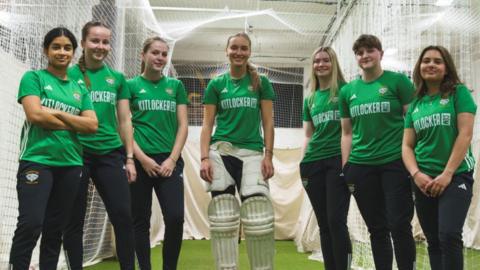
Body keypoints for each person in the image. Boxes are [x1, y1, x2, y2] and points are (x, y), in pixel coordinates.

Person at [40, 21, 136, 270]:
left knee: (123, 216)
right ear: (82, 43)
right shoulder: (66, 75)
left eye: (105, 41)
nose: (100, 46)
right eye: (95, 40)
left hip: (110, 154)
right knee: (74, 221)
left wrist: (129, 157)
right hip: (75, 154)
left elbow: (125, 120)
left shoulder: (117, 79)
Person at [9, 27, 98, 270]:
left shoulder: (80, 89)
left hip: (70, 164)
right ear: (46, 50)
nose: (62, 52)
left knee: (54, 230)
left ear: (73, 51)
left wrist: (57, 112)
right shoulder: (34, 78)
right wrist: (73, 120)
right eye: (56, 47)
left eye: (67, 47)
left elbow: (92, 125)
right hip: (37, 160)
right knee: (31, 224)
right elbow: (36, 115)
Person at [339, 34, 416, 270]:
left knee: (399, 225)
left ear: (380, 54)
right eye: (360, 53)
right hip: (361, 167)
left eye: (370, 50)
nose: (365, 56)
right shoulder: (347, 91)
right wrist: (346, 168)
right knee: (377, 228)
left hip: (395, 163)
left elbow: (413, 121)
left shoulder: (399, 82)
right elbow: (346, 133)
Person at [199, 32, 275, 270]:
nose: (238, 52)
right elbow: (207, 124)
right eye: (234, 48)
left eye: (243, 48)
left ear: (249, 52)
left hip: (253, 154)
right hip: (220, 153)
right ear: (227, 51)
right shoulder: (216, 84)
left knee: (258, 217)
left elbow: (268, 122)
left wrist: (269, 155)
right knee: (222, 217)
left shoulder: (260, 82)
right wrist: (203, 158)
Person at [402, 45, 476, 270]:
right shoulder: (415, 104)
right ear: (419, 67)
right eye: (426, 61)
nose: (431, 64)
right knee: (433, 240)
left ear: (446, 68)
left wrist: (447, 174)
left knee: (449, 235)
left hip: (456, 176)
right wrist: (416, 175)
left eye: (437, 61)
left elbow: (465, 134)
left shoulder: (458, 93)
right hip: (424, 180)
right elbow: (406, 146)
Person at [128, 36, 188, 270]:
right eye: (155, 52)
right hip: (141, 160)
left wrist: (172, 159)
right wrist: (141, 159)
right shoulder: (130, 86)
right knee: (139, 220)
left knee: (175, 218)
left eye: (164, 54)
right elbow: (124, 126)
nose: (160, 57)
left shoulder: (176, 86)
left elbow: (182, 125)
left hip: (169, 161)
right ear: (143, 55)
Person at [300, 47, 352, 270]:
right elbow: (308, 134)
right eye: (316, 61)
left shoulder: (347, 92)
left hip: (337, 161)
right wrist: (302, 163)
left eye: (325, 60)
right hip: (313, 163)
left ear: (334, 63)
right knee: (324, 224)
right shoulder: (310, 98)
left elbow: (350, 131)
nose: (320, 64)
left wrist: (347, 164)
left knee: (336, 221)